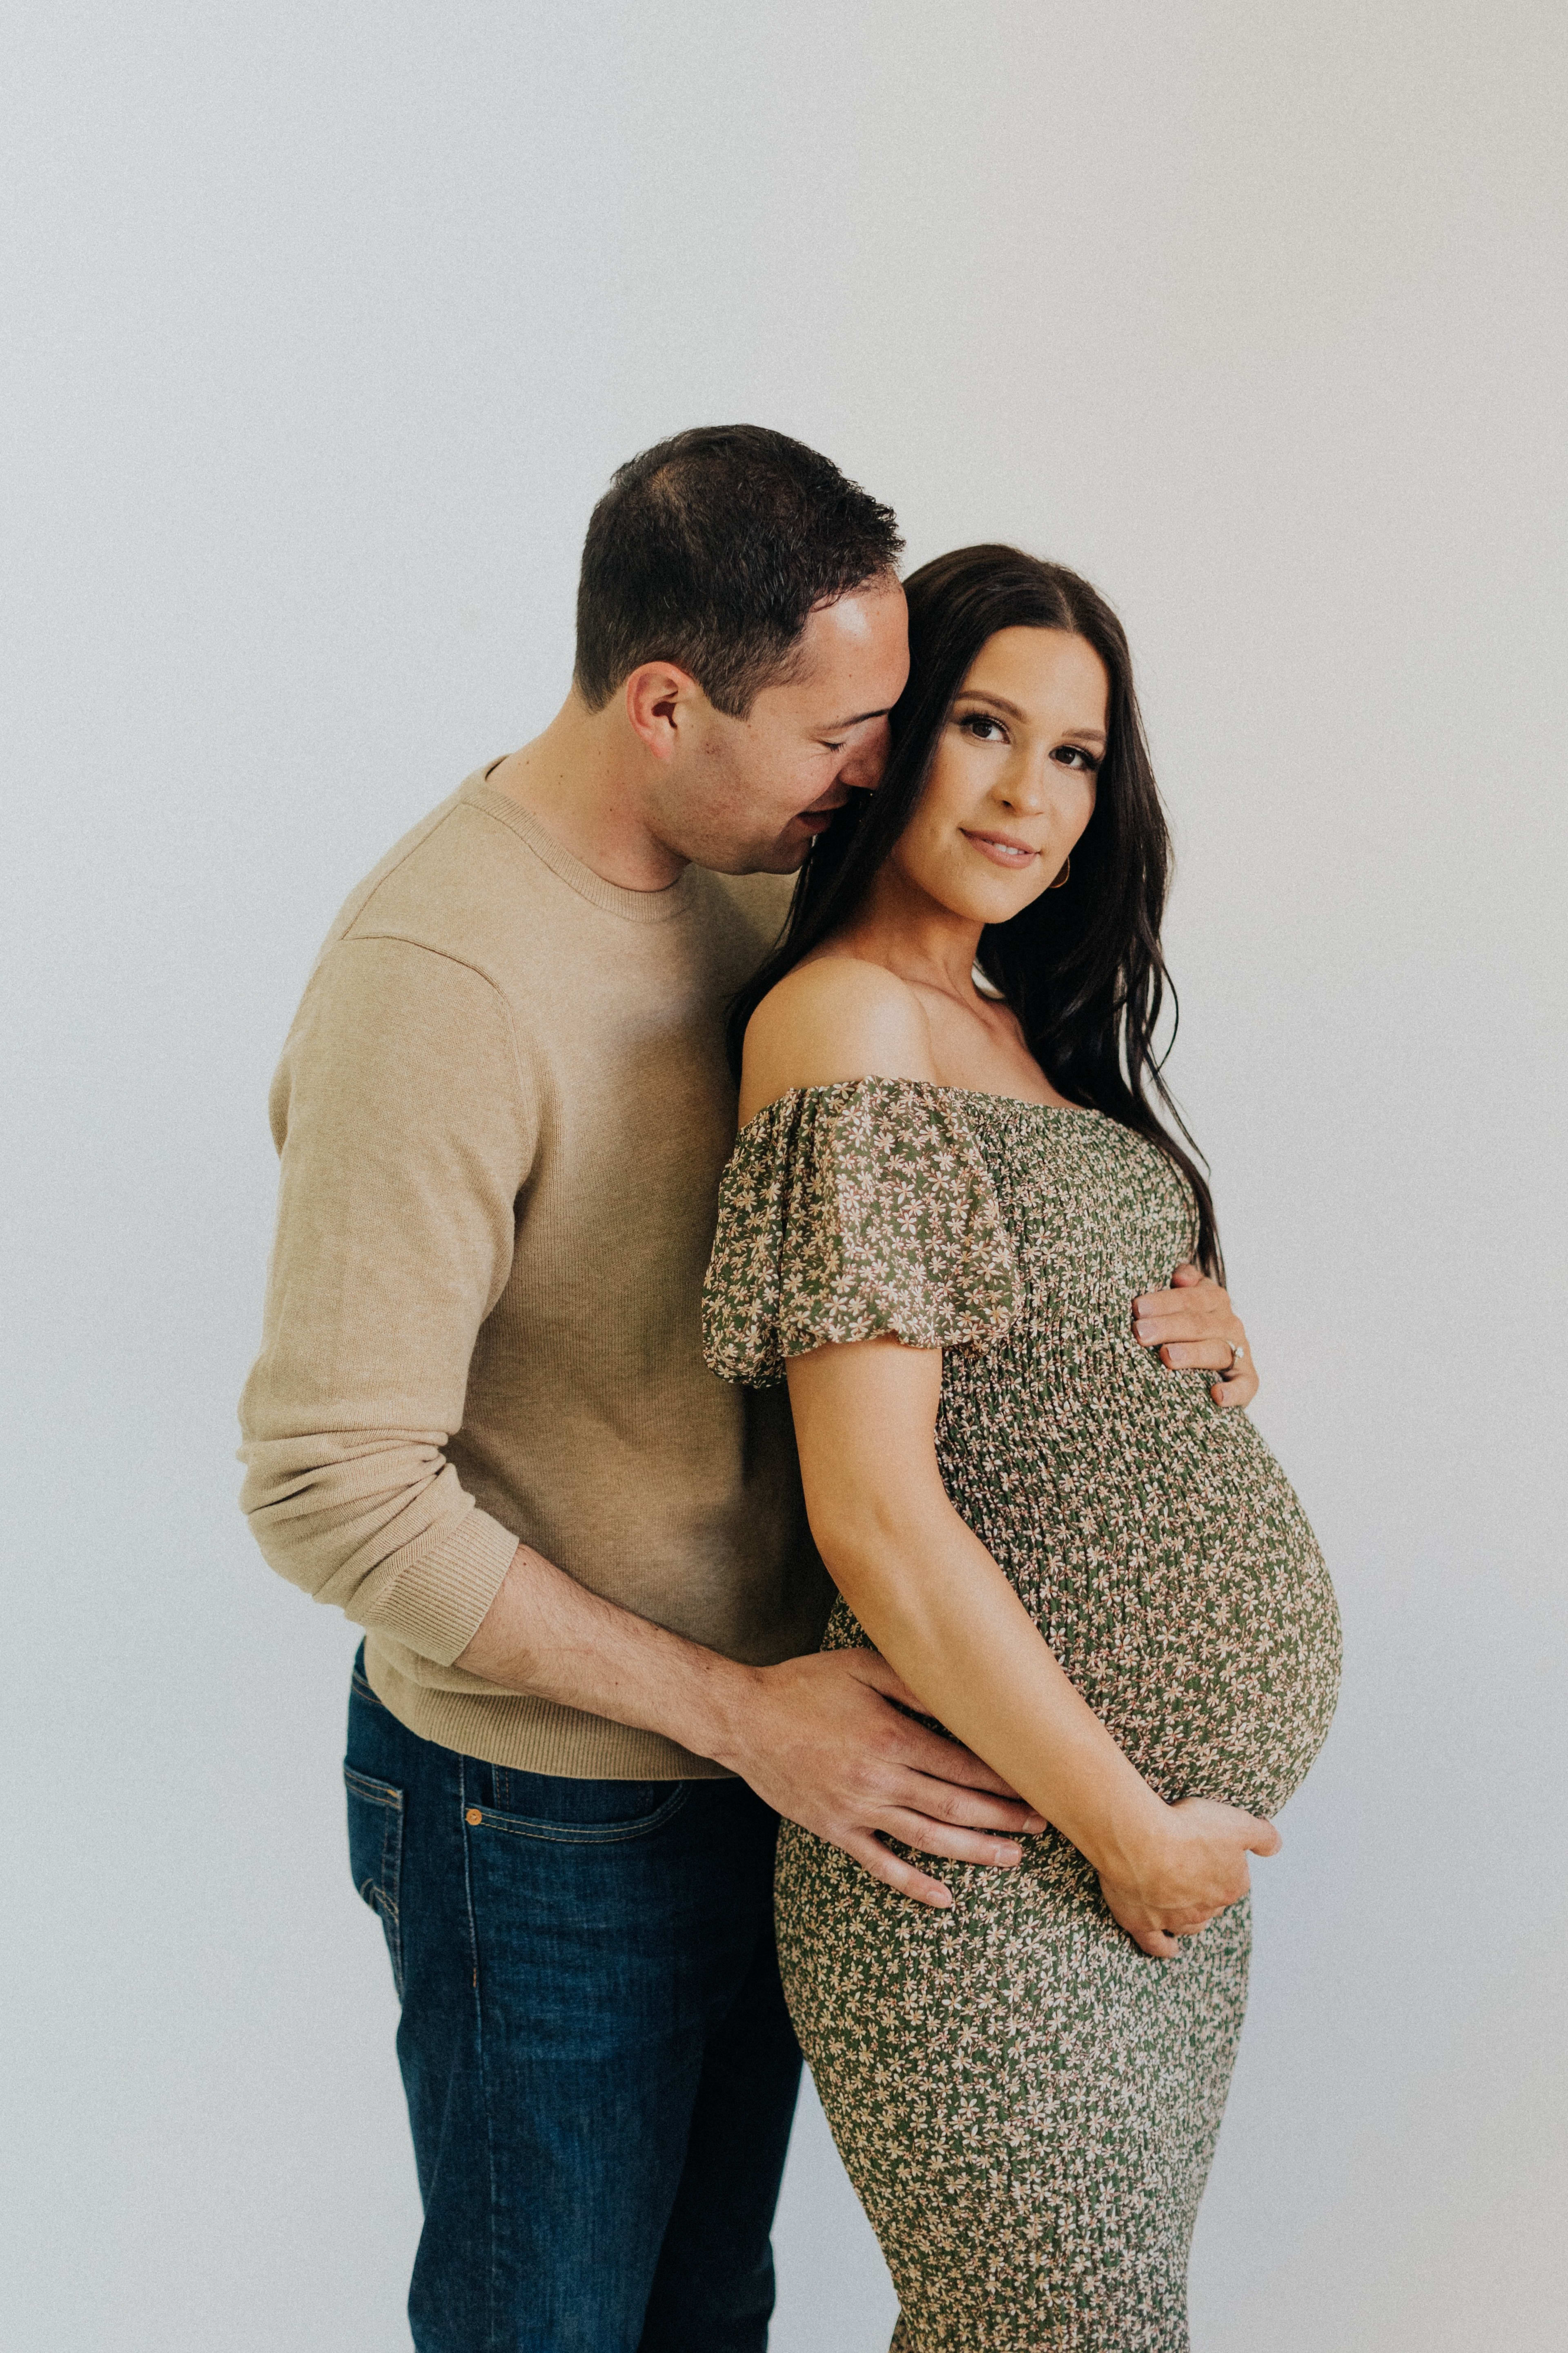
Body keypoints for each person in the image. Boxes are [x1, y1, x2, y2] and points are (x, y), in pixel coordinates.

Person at [238, 431, 1270, 2352]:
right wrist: (739, 1715)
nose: (881, 775)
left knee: (709, 2319)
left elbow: (896, 1266)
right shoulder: (439, 981)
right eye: (845, 733)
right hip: (545, 1815)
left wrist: (1164, 1328)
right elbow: (328, 1488)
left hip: (794, 1768)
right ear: (662, 705)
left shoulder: (753, 879)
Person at [704, 544, 1341, 2351]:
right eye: (985, 726)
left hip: (1141, 1871)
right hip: (1007, 1856)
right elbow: (879, 1517)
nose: (1029, 791)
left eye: (1075, 754)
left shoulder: (1022, 1031)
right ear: (896, 741)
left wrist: (1200, 1336)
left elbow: (1044, 1370)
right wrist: (1128, 1828)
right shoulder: (845, 1019)